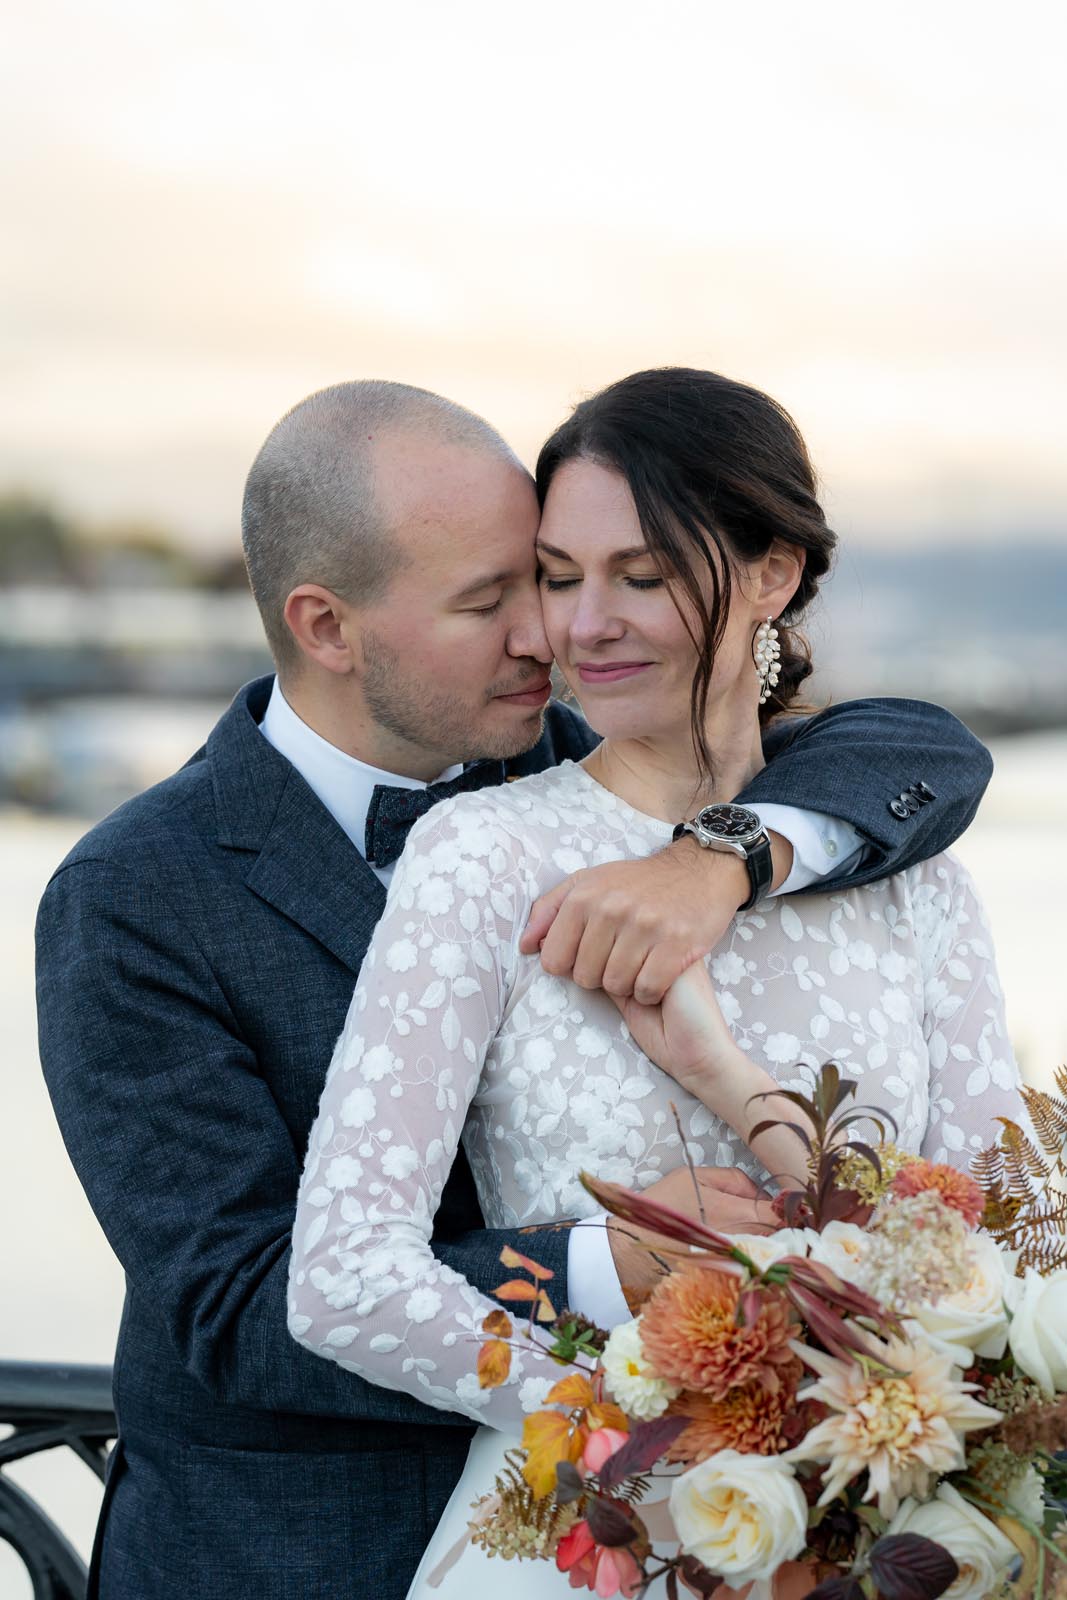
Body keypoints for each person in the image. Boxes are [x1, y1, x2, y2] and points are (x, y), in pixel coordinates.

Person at [37, 380, 992, 1600]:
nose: (553, 632)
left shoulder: (599, 765)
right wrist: (602, 1272)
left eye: (549, 578)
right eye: (502, 595)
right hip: (314, 1555)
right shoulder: (132, 894)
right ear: (327, 627)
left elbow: (920, 753)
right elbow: (235, 1301)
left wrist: (721, 858)